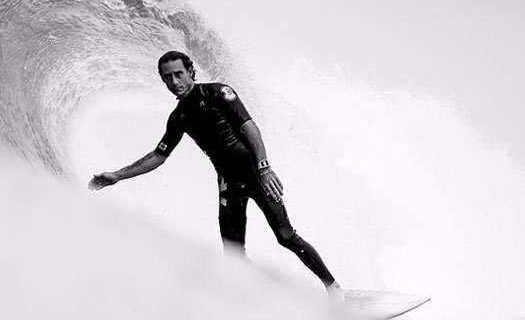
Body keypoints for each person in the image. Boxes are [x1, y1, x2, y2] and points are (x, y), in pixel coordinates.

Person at [89, 50, 341, 294]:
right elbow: (158, 156)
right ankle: (266, 297)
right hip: (228, 182)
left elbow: (250, 127)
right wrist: (116, 176)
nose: (174, 81)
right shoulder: (179, 117)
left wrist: (265, 168)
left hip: (255, 173)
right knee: (233, 255)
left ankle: (333, 287)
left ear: (190, 71)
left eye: (178, 74)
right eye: (167, 77)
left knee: (285, 237)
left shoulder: (217, 92)